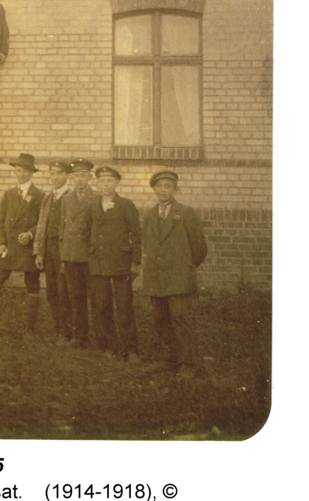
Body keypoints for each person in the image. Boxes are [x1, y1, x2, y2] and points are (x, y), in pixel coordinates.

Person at [142, 170, 208, 379]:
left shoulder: (185, 213)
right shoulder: (150, 215)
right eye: (159, 186)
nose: (163, 190)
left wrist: (185, 268)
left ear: (175, 189)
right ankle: (167, 359)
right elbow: (149, 244)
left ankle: (188, 363)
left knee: (180, 319)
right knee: (161, 319)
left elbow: (199, 248)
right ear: (154, 189)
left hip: (179, 278)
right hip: (157, 277)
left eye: (168, 186)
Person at [0, 154, 45, 336]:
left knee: (32, 285)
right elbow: (0, 221)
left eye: (24, 171)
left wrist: (30, 234)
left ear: (31, 173)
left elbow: (44, 222)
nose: (20, 174)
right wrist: (1, 243)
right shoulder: (8, 194)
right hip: (9, 248)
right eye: (18, 171)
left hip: (28, 248)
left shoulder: (40, 196)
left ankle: (29, 329)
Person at [87, 165, 142, 362]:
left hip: (120, 262)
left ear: (116, 183)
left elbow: (136, 234)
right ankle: (107, 346)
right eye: (101, 181)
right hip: (99, 263)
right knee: (101, 306)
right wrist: (90, 253)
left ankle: (131, 349)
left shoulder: (126, 205)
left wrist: (135, 261)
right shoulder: (93, 205)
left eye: (109, 180)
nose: (105, 184)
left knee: (124, 306)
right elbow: (87, 231)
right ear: (97, 183)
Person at [58, 158, 98, 349]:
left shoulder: (97, 198)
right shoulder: (66, 198)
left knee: (96, 298)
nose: (80, 179)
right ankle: (79, 336)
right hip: (71, 255)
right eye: (76, 176)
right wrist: (63, 252)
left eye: (83, 175)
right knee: (75, 297)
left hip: (89, 256)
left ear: (90, 177)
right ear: (71, 178)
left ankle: (100, 338)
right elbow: (63, 227)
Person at [34, 160, 73, 345]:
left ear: (67, 176)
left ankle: (67, 332)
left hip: (63, 251)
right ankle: (59, 329)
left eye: (59, 173)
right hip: (48, 250)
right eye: (52, 173)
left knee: (64, 291)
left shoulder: (71, 197)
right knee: (51, 292)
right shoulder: (48, 199)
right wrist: (38, 253)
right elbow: (41, 226)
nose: (55, 177)